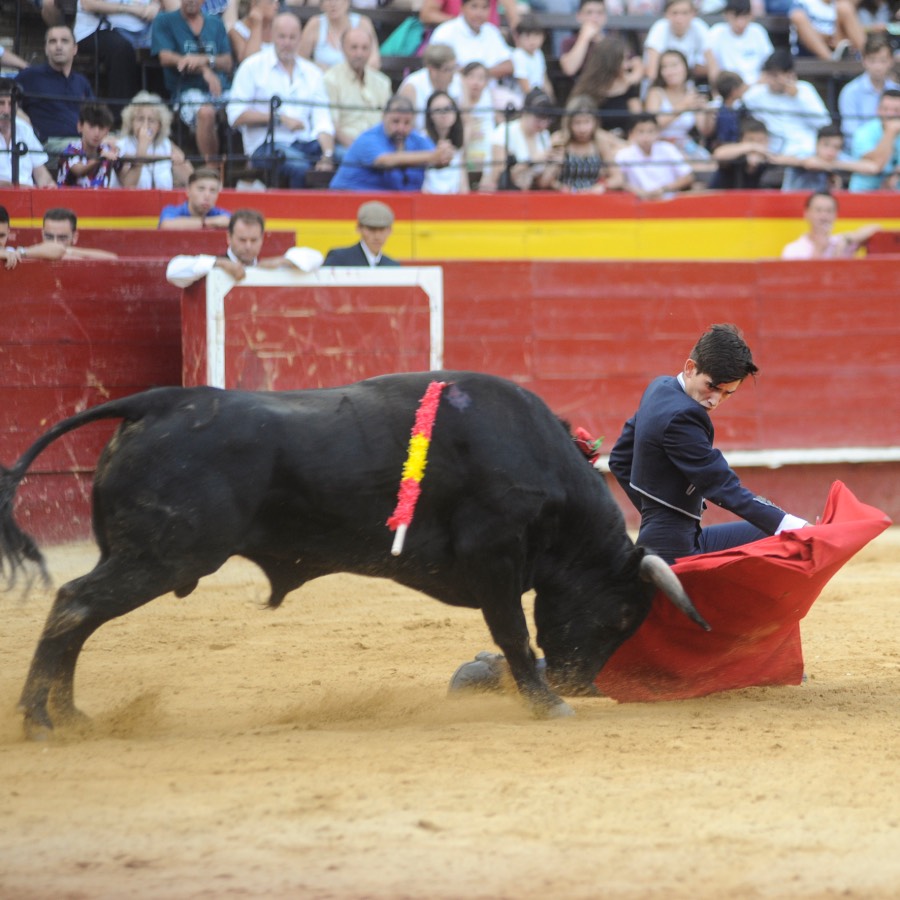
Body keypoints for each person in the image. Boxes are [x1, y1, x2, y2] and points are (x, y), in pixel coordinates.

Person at [608, 323, 809, 564]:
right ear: (691, 368)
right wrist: (791, 524)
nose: (714, 400)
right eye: (712, 387)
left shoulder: (659, 388)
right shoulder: (683, 417)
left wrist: (654, 513)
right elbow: (720, 484)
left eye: (727, 393)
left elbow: (619, 459)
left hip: (671, 541)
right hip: (677, 555)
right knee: (787, 538)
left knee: (770, 534)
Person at [226, 12, 336, 189]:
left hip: (306, 142)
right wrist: (279, 118)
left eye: (293, 37)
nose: (287, 43)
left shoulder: (312, 73)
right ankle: (298, 214)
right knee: (300, 166)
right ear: (272, 37)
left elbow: (323, 120)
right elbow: (235, 115)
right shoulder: (252, 66)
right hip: (265, 145)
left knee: (346, 158)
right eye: (282, 37)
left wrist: (328, 155)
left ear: (300, 38)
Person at [151, 0, 233, 163]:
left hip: (221, 89)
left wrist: (205, 60)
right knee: (206, 112)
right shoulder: (165, 20)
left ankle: (249, 166)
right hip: (185, 90)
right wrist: (203, 70)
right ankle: (213, 169)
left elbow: (227, 62)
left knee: (250, 105)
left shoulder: (215, 23)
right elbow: (165, 57)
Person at [166, 207, 324, 287]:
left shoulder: (269, 266)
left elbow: (318, 257)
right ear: (229, 237)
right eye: (242, 240)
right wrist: (219, 263)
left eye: (254, 240)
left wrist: (284, 261)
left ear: (262, 239)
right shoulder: (213, 264)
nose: (248, 246)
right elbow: (172, 270)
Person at [329, 94, 454, 191]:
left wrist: (445, 154)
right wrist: (432, 156)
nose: (401, 128)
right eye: (395, 121)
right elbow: (385, 161)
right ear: (384, 117)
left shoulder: (416, 138)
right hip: (348, 206)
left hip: (400, 209)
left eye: (406, 123)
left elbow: (438, 158)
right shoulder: (368, 139)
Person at [742, 49, 832, 160]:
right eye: (769, 75)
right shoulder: (757, 93)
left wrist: (798, 97)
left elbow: (824, 123)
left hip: (805, 151)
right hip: (772, 153)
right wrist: (757, 82)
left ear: (790, 74)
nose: (771, 80)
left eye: (775, 75)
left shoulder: (804, 90)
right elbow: (738, 101)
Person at [14, 25, 94, 147]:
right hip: (48, 145)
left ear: (75, 49)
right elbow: (5, 98)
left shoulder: (82, 82)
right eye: (53, 41)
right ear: (46, 49)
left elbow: (94, 116)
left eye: (64, 41)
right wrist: (19, 114)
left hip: (81, 144)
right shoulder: (30, 76)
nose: (58, 46)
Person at [324, 28, 393, 164]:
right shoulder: (331, 79)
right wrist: (360, 149)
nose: (359, 53)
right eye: (354, 48)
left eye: (365, 48)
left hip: (380, 146)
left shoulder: (382, 82)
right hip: (346, 146)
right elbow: (332, 127)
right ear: (342, 49)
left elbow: (389, 121)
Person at [72, 0, 153, 113]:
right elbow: (88, 4)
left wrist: (156, 7)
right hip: (96, 30)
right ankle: (121, 115)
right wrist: (132, 9)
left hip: (141, 31)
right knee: (121, 49)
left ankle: (162, 112)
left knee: (162, 45)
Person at [543, 94, 624, 192]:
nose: (582, 129)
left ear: (595, 122)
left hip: (593, 197)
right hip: (564, 197)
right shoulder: (560, 139)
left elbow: (618, 178)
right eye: (577, 123)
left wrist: (602, 186)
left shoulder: (600, 140)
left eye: (587, 122)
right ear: (569, 123)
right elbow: (545, 181)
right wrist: (560, 186)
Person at [478, 87, 555, 192]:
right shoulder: (504, 131)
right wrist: (531, 161)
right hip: (500, 195)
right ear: (525, 112)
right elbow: (498, 175)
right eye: (538, 117)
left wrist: (555, 164)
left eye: (547, 119)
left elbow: (542, 182)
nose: (543, 124)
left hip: (529, 197)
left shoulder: (543, 135)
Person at [112, 90, 193, 189]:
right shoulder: (122, 146)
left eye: (151, 120)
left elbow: (191, 179)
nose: (145, 125)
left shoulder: (166, 145)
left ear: (159, 125)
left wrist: (178, 163)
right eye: (140, 119)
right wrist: (142, 146)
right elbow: (129, 185)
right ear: (131, 122)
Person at [644, 49, 714, 161]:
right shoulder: (655, 93)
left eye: (674, 65)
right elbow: (652, 124)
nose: (669, 71)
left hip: (686, 145)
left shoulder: (692, 92)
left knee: (710, 166)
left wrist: (708, 112)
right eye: (664, 67)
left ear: (685, 68)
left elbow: (704, 130)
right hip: (659, 145)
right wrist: (683, 106)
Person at [428, 0, 514, 91]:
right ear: (462, 8)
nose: (479, 13)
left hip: (490, 93)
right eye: (474, 7)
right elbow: (438, 67)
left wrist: (477, 74)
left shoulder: (492, 31)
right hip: (452, 92)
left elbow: (509, 66)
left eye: (484, 7)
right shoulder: (445, 31)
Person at [571, 35, 642, 137]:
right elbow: (582, 124)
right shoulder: (587, 90)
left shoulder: (629, 86)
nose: (627, 65)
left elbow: (637, 120)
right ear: (611, 62)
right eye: (624, 60)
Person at [613, 111, 695, 199]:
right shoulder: (624, 155)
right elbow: (617, 181)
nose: (646, 136)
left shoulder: (668, 148)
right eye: (641, 132)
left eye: (650, 131)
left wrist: (663, 189)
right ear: (631, 134)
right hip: (638, 204)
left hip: (669, 202)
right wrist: (638, 192)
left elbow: (688, 177)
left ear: (657, 132)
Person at [838, 33, 900, 146]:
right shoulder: (850, 92)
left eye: (883, 60)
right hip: (861, 152)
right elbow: (850, 134)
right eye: (872, 60)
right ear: (864, 61)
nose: (878, 67)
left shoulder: (897, 90)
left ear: (891, 61)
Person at [781, 191, 880, 259]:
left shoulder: (840, 241)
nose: (824, 216)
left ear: (835, 215)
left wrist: (846, 240)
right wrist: (819, 249)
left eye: (829, 211)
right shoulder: (793, 249)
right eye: (818, 210)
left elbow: (876, 229)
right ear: (807, 213)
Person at [780, 122, 878, 191]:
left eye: (836, 147)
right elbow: (810, 163)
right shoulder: (804, 152)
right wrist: (832, 166)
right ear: (817, 144)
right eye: (826, 145)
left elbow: (872, 167)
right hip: (792, 206)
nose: (831, 151)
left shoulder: (838, 158)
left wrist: (832, 165)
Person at [703, 0, 773, 89]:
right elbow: (712, 69)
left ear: (751, 15)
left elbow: (770, 62)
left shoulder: (758, 31)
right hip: (729, 90)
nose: (740, 23)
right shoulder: (716, 33)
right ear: (726, 15)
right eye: (735, 17)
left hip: (757, 88)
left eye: (745, 16)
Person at [398, 43, 464, 133]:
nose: (452, 75)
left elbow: (466, 122)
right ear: (431, 69)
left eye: (454, 68)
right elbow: (406, 126)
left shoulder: (459, 81)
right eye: (447, 69)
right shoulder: (412, 87)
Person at [298, 0, 381, 72]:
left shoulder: (363, 23)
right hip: (323, 82)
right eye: (328, 0)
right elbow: (300, 59)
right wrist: (316, 67)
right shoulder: (315, 24)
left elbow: (374, 61)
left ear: (347, 1)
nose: (333, 4)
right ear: (322, 4)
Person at [0, 78, 55, 187]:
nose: (6, 110)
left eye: (11, 104)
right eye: (1, 103)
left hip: (28, 199)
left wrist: (48, 185)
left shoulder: (25, 129)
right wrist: (21, 188)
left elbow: (41, 174)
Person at [643, 0, 710, 83]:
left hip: (691, 84)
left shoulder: (700, 27)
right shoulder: (659, 28)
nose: (679, 18)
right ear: (666, 14)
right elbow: (651, 71)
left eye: (685, 13)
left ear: (693, 14)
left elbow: (711, 65)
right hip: (663, 84)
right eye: (674, 13)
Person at [56, 101, 119, 187]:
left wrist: (136, 158)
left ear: (107, 131)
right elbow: (79, 171)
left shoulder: (107, 150)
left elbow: (127, 179)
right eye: (92, 126)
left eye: (101, 127)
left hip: (100, 200)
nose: (97, 133)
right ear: (80, 126)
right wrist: (101, 157)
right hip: (68, 200)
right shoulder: (71, 149)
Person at [848, 88, 900, 191]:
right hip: (864, 192)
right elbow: (877, 164)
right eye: (885, 109)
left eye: (896, 110)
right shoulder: (863, 132)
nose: (890, 114)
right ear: (877, 110)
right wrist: (890, 132)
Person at [323, 200, 400, 266]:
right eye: (371, 229)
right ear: (359, 228)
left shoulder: (392, 265)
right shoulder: (339, 258)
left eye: (382, 230)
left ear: (390, 230)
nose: (377, 236)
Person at [422, 91, 469, 193]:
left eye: (448, 109)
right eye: (438, 110)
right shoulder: (422, 140)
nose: (444, 114)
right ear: (430, 115)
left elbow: (464, 189)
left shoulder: (459, 145)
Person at [788, 0, 865, 60]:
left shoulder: (840, 5)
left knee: (845, 8)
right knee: (798, 16)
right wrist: (826, 37)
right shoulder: (804, 3)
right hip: (810, 52)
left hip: (838, 45)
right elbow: (801, 29)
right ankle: (831, 61)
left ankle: (866, 55)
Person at [158, 167, 230, 229]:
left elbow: (231, 221)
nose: (207, 195)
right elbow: (166, 225)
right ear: (188, 191)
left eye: (213, 190)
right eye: (201, 189)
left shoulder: (220, 213)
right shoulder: (171, 211)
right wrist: (208, 222)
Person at [459, 60, 495, 184]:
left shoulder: (490, 97)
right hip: (466, 151)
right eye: (471, 77)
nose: (476, 82)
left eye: (481, 78)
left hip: (486, 153)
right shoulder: (457, 99)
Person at [35, 207, 119, 259]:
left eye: (62, 238)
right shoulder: (33, 255)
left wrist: (65, 251)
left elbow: (113, 259)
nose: (55, 243)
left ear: (74, 237)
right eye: (49, 237)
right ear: (42, 235)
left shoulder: (77, 257)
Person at [0, 205, 65, 268]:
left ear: (8, 233)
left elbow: (59, 249)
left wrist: (21, 252)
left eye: (1, 236)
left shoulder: (11, 253)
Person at [510, 15, 554, 103]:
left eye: (536, 35)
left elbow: (544, 80)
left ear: (543, 37)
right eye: (527, 36)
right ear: (518, 37)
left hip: (539, 98)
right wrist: (537, 102)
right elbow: (525, 86)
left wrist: (550, 100)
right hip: (521, 101)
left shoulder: (539, 53)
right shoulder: (518, 55)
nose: (532, 41)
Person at [559, 0, 608, 79]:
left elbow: (631, 61)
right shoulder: (568, 42)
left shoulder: (612, 42)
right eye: (589, 12)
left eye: (599, 13)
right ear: (579, 16)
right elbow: (569, 69)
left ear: (605, 17)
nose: (594, 17)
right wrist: (584, 38)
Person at [229, 0, 278, 64]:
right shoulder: (237, 30)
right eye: (270, 2)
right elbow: (249, 62)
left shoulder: (279, 26)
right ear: (254, 4)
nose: (276, 6)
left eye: (277, 2)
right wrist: (256, 25)